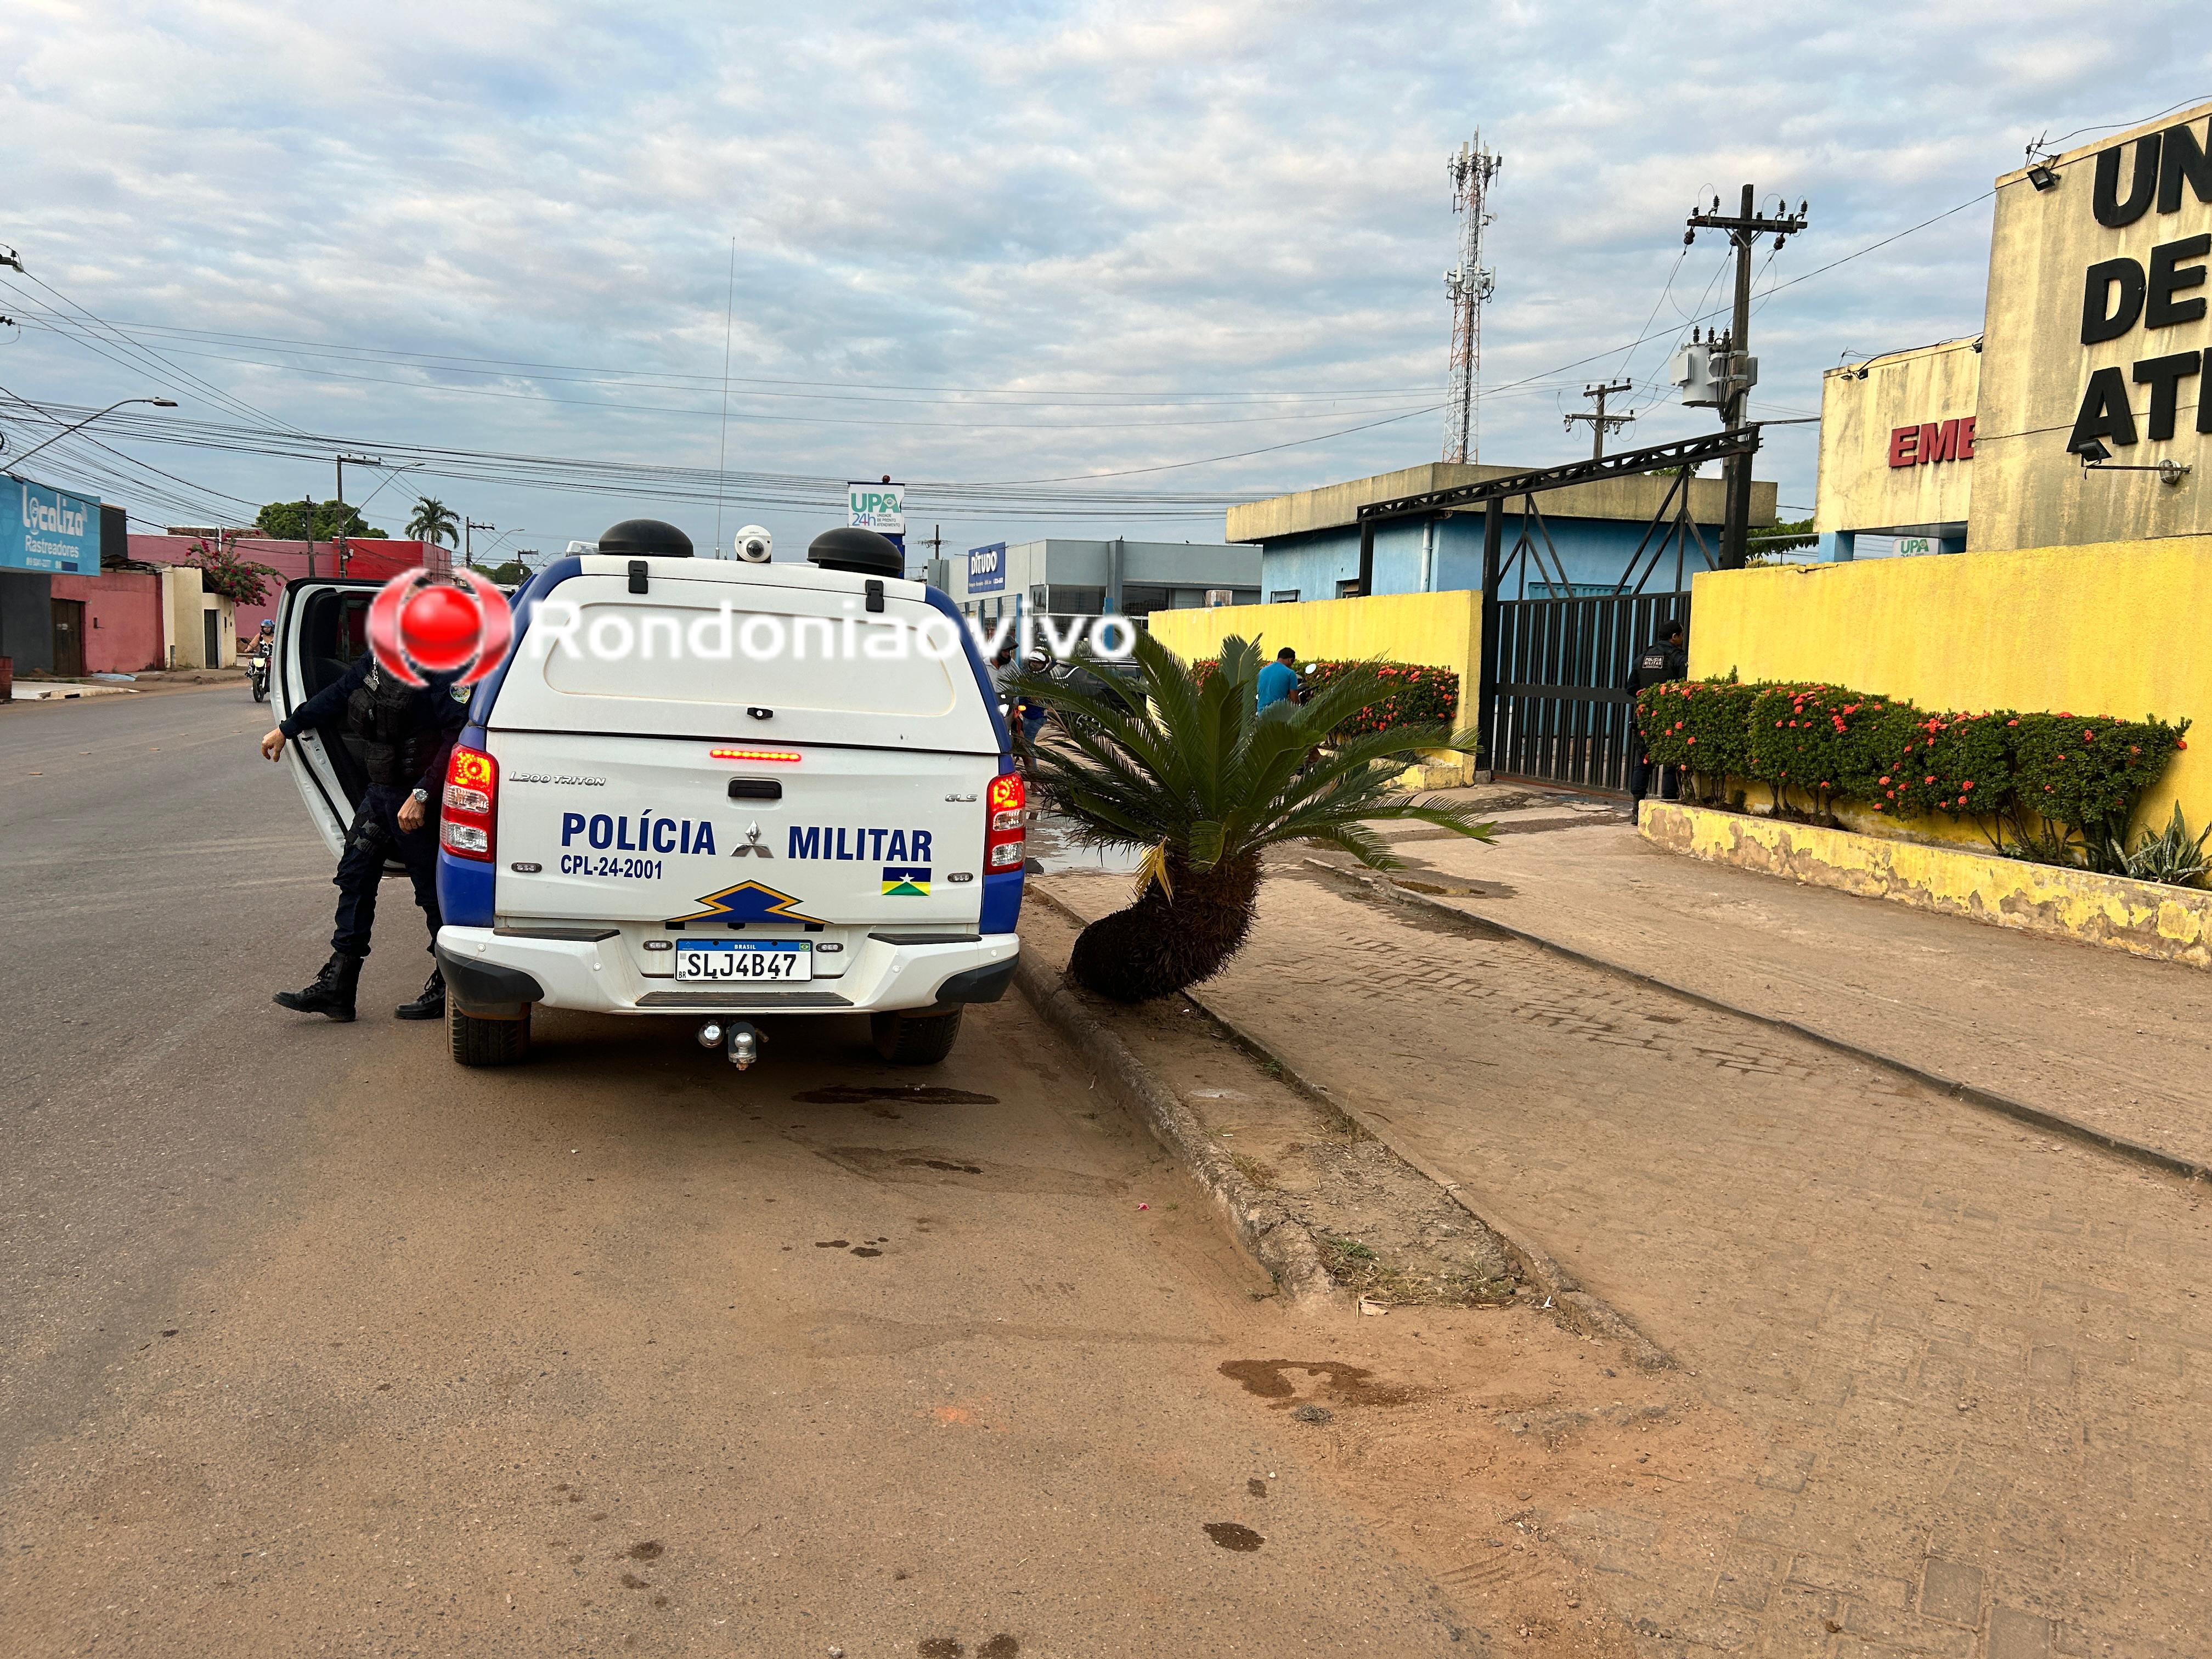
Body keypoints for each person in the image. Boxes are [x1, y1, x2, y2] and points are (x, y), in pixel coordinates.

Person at [259, 654, 469, 1022]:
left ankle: (449, 982)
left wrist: (422, 795)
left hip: (419, 800)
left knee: (432, 895)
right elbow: (338, 694)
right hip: (380, 795)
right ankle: (338, 987)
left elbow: (458, 738)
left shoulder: (448, 667)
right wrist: (287, 728)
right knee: (355, 878)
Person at [1626, 618, 1689, 802]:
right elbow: (1686, 688)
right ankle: (1668, 801)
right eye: (1682, 635)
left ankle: (1637, 808)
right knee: (1671, 762)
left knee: (1643, 762)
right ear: (1675, 637)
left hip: (1647, 719)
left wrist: (1648, 701)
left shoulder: (1643, 658)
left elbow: (1631, 688)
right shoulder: (1678, 658)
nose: (1683, 639)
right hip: (1671, 718)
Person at [1256, 646, 1300, 712]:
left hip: (1261, 713)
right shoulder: (1290, 673)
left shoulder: (1262, 671)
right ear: (1290, 660)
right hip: (1278, 714)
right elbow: (1294, 700)